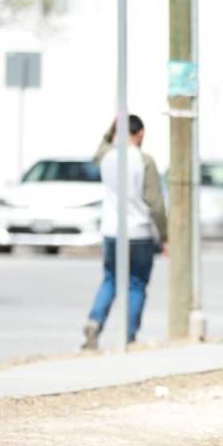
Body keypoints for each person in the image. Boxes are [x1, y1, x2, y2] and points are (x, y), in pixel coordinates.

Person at [81, 115, 168, 350]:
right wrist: (165, 235)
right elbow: (156, 203)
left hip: (111, 230)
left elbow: (100, 150)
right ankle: (128, 336)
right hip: (139, 232)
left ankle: (94, 322)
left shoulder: (107, 157)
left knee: (110, 279)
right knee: (136, 284)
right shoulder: (144, 160)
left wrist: (111, 129)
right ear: (139, 134)